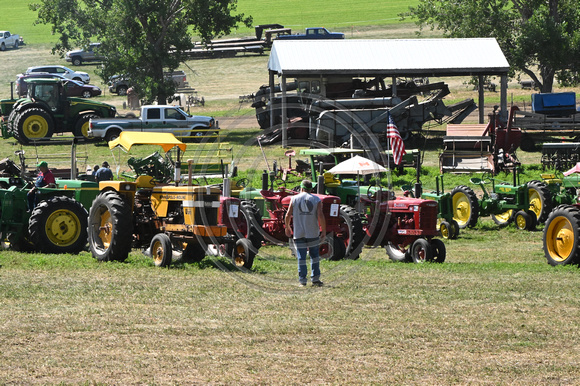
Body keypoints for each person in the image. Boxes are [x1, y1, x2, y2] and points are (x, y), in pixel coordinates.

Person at [284, 180, 326, 287]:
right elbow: (320, 215)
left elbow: (288, 214)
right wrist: (324, 230)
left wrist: (287, 227)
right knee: (314, 256)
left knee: (301, 257)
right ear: (311, 189)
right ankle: (315, 279)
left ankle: (302, 281)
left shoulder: (294, 199)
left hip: (299, 233)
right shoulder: (316, 199)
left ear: (301, 188)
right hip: (312, 232)